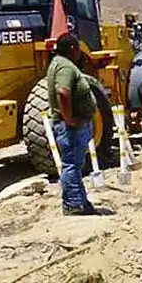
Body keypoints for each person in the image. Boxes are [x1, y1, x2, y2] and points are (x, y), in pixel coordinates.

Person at [47, 33, 98, 215]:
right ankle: (74, 205)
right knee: (72, 165)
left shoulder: (60, 64)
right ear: (72, 49)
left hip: (72, 125)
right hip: (71, 127)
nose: (79, 52)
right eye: (77, 48)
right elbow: (63, 92)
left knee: (74, 165)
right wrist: (69, 118)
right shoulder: (65, 67)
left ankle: (80, 202)